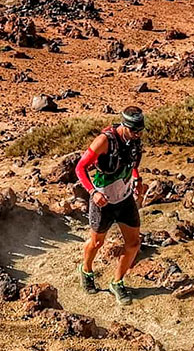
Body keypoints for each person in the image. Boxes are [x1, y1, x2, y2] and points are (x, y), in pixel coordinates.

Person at [75, 105, 145, 305]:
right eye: (134, 131)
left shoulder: (134, 141)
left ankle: (117, 282)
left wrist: (137, 179)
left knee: (133, 244)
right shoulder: (104, 141)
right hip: (102, 201)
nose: (137, 135)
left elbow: (132, 164)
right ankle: (86, 270)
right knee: (97, 242)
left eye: (140, 131)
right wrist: (93, 192)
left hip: (124, 199)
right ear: (124, 126)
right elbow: (80, 167)